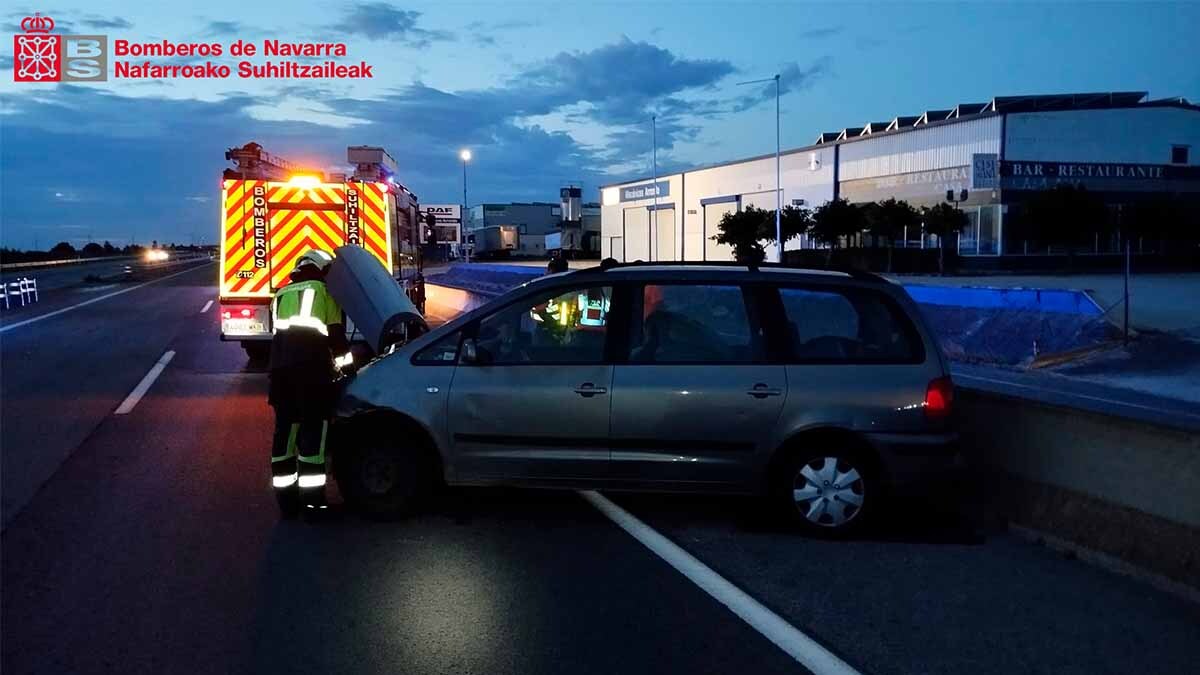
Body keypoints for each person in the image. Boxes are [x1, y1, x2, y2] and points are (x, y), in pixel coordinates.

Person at [268, 249, 349, 516]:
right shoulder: (325, 293)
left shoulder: (280, 294)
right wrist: (348, 371)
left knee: (284, 437)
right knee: (313, 437)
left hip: (280, 378)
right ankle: (314, 504)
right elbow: (336, 339)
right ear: (322, 269)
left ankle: (288, 506)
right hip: (313, 377)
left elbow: (278, 339)